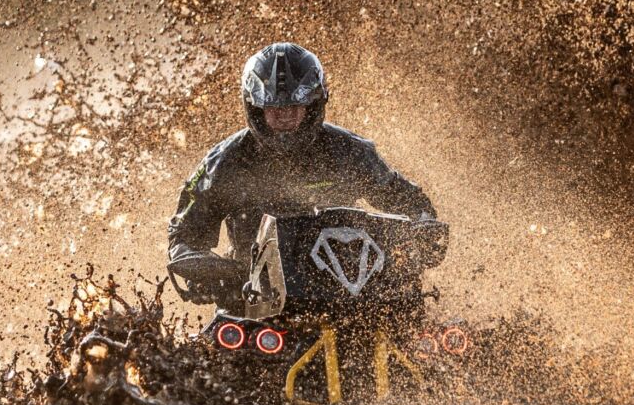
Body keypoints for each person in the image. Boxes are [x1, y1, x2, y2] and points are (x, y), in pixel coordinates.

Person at [168, 42, 436, 315]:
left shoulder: (350, 151)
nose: (285, 116)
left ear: (313, 104)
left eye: (294, 107)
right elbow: (184, 235)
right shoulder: (225, 161)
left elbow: (410, 202)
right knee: (218, 339)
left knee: (427, 329)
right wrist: (207, 273)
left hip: (355, 298)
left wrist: (424, 229)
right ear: (255, 109)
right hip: (258, 300)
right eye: (275, 109)